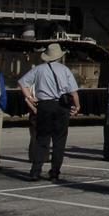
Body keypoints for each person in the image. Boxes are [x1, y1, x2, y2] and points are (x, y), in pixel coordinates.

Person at [17, 43, 80, 182]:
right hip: (61, 105)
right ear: (59, 56)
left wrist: (29, 97)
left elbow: (22, 82)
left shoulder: (38, 69)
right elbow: (73, 92)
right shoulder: (65, 70)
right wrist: (77, 106)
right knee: (59, 140)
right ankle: (55, 172)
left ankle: (35, 171)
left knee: (42, 139)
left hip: (44, 105)